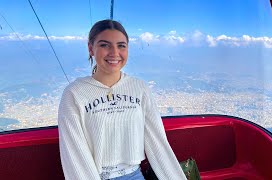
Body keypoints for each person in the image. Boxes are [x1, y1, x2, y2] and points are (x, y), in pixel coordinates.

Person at [58, 19, 187, 180]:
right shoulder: (75, 94)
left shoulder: (139, 88)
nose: (114, 53)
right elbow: (74, 155)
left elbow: (157, 142)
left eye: (121, 45)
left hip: (135, 175)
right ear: (91, 48)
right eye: (104, 45)